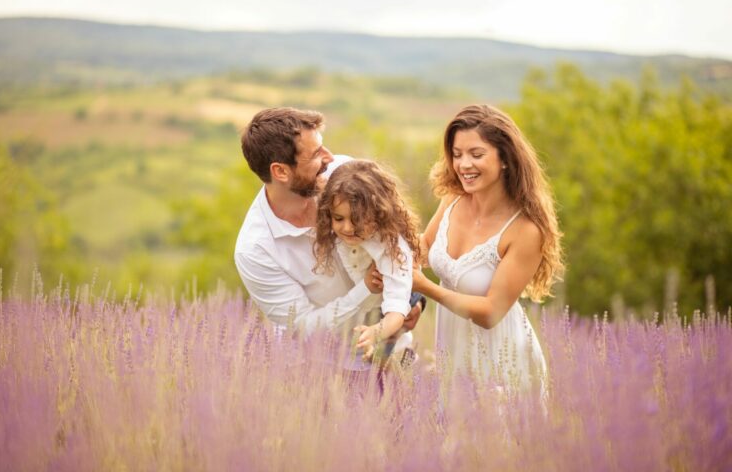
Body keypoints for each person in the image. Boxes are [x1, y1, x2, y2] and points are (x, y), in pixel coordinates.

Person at [234, 107, 422, 346]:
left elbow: (395, 234)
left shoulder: (345, 175)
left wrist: (411, 298)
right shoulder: (256, 250)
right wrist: (367, 289)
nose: (330, 158)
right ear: (280, 171)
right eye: (315, 154)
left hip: (393, 346)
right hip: (321, 368)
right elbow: (303, 326)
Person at [412, 104, 563, 391]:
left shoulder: (525, 231)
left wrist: (424, 287)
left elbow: (491, 313)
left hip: (503, 363)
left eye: (476, 154)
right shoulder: (452, 200)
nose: (463, 165)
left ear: (505, 158)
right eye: (457, 155)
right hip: (453, 356)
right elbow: (424, 248)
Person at [313, 159, 421, 361]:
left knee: (387, 367)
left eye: (358, 220)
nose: (347, 228)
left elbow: (397, 307)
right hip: (361, 316)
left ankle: (401, 361)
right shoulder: (332, 230)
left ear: (380, 213)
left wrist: (377, 331)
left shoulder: (390, 247)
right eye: (338, 219)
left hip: (390, 316)